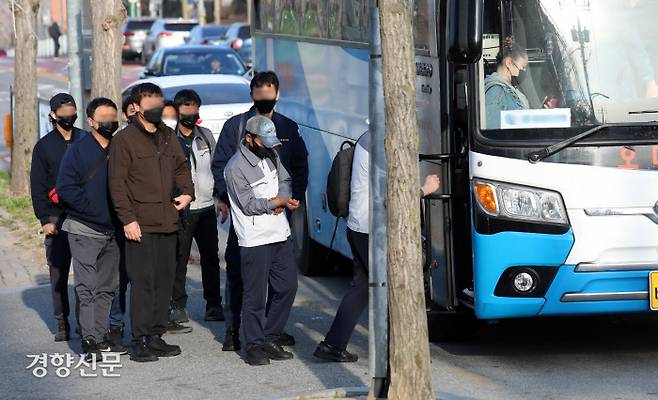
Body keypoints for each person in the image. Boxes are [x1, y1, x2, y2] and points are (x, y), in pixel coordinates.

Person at [313, 132, 441, 362]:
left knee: (361, 288)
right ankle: (406, 354)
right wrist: (424, 190)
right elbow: (392, 198)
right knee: (395, 287)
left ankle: (332, 344)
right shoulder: (383, 144)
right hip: (372, 230)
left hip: (359, 227)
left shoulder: (369, 137)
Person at [212, 71, 309, 352]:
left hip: (281, 215)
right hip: (246, 218)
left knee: (282, 281)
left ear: (277, 94)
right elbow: (221, 167)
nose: (265, 97)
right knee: (240, 276)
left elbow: (299, 169)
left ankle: (269, 332)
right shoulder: (237, 126)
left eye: (269, 92)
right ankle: (234, 330)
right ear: (252, 94)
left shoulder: (288, 128)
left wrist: (288, 200)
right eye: (259, 92)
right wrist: (228, 198)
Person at [109, 83, 194, 362]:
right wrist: (128, 220)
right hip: (140, 225)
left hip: (169, 221)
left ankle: (156, 336)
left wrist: (187, 192)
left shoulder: (168, 136)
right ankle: (140, 339)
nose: (158, 108)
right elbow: (117, 184)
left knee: (163, 280)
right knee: (143, 283)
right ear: (136, 108)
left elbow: (182, 168)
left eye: (160, 102)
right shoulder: (124, 140)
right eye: (152, 103)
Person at [224, 115, 299, 366]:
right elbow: (247, 205)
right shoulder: (235, 167)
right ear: (249, 138)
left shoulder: (272, 155)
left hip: (280, 233)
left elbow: (286, 180)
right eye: (264, 141)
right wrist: (273, 204)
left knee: (287, 287)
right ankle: (254, 344)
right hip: (255, 238)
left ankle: (270, 336)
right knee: (255, 296)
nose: (269, 145)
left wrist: (285, 198)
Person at [56, 97, 126, 360]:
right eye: (104, 118)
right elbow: (65, 188)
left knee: (108, 286)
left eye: (113, 117)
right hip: (84, 229)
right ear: (91, 121)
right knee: (87, 286)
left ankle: (100, 335)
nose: (110, 122)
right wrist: (94, 211)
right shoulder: (77, 149)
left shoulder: (121, 146)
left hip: (114, 230)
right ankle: (88, 340)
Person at [30, 93, 87, 342]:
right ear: (53, 115)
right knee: (58, 273)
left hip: (84, 215)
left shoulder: (86, 139)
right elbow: (38, 185)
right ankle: (61, 321)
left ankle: (86, 324)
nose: (68, 117)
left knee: (86, 274)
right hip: (56, 217)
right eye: (63, 113)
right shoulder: (43, 147)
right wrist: (45, 219)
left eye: (72, 112)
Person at [169, 89, 224, 327]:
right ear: (178, 111)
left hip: (206, 208)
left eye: (195, 108)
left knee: (210, 258)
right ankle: (178, 305)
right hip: (180, 210)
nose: (192, 113)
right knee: (179, 259)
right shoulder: (168, 139)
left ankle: (213, 304)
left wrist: (221, 198)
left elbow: (217, 167)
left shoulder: (206, 136)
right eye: (187, 108)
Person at [484, 37, 530, 129]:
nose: (523, 70)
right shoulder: (495, 91)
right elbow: (493, 132)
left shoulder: (507, 88)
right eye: (522, 66)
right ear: (509, 63)